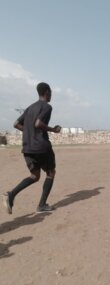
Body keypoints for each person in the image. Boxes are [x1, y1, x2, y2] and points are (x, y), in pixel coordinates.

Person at [3, 82, 61, 214]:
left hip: (27, 148)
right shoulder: (47, 107)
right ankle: (41, 205)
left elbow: (16, 124)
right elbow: (38, 123)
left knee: (34, 176)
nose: (51, 94)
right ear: (47, 92)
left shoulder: (30, 108)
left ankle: (11, 194)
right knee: (51, 172)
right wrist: (53, 129)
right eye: (50, 92)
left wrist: (29, 132)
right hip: (41, 147)